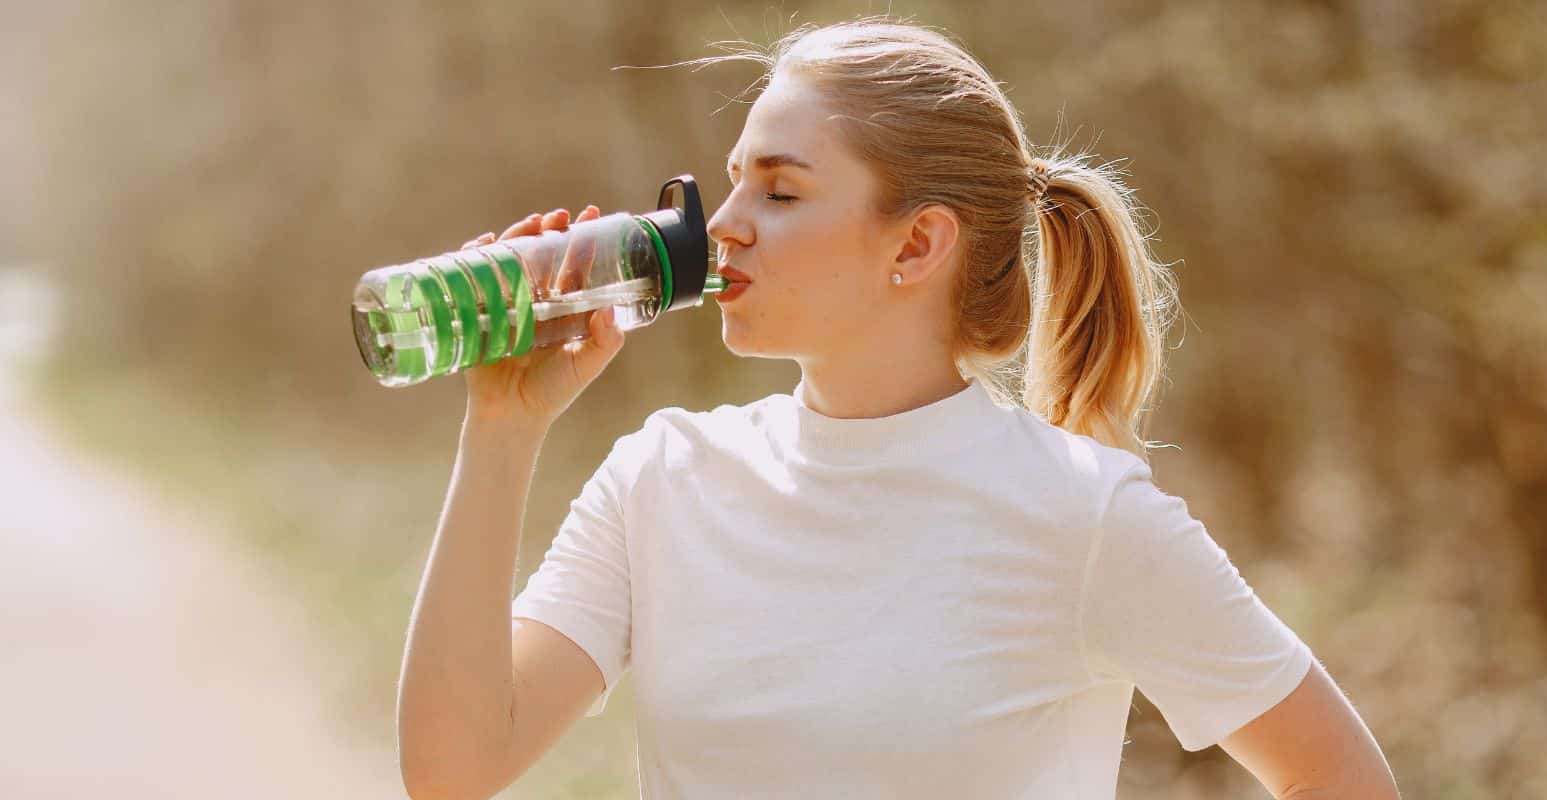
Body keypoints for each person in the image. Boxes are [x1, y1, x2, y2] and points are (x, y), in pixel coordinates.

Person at [397, 17, 1400, 800]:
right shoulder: (661, 476)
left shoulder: (1083, 514)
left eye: (781, 193)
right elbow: (454, 766)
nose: (725, 227)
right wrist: (504, 425)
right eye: (733, 182)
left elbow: (1339, 774)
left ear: (916, 246)